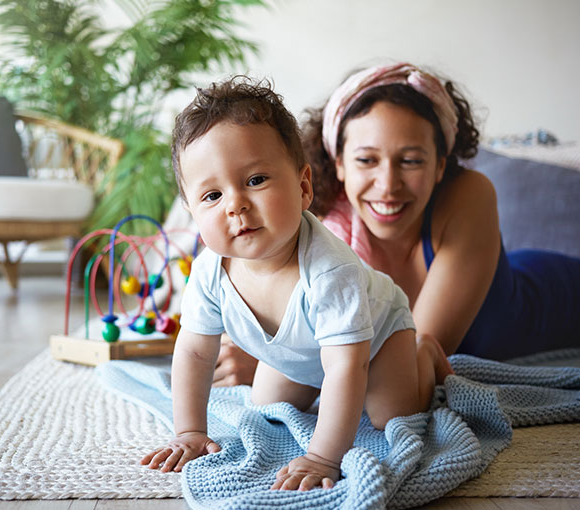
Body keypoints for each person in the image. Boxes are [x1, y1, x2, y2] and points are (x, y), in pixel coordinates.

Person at [212, 62, 580, 383]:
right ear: (338, 163)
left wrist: (280, 362)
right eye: (366, 160)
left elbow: (406, 360)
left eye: (410, 161)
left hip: (555, 297)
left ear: (441, 164)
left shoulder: (470, 194)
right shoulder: (313, 227)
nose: (388, 185)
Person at [140, 76, 453, 491]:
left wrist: (322, 456)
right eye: (212, 196)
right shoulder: (208, 271)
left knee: (389, 414)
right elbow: (195, 352)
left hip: (377, 339)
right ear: (192, 212)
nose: (236, 204)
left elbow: (347, 365)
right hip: (304, 352)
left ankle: (422, 354)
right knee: (265, 405)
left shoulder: (329, 271)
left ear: (304, 187)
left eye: (255, 180)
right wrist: (190, 432)